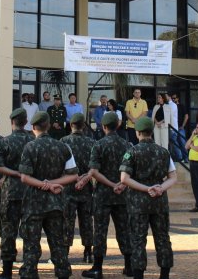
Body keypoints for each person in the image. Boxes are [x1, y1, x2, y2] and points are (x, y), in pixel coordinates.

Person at [18, 111, 78, 279]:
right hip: (56, 202)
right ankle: (63, 273)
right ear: (49, 126)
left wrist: (44, 184)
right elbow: (73, 175)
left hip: (34, 203)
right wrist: (52, 184)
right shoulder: (63, 146)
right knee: (58, 243)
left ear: (33, 127)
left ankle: (30, 274)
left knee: (31, 244)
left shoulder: (30, 147)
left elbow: (24, 177)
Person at [119, 116, 177, 279]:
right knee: (163, 238)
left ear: (137, 133)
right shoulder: (164, 152)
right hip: (159, 202)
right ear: (151, 132)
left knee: (138, 240)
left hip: (138, 203)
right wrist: (159, 188)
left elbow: (124, 178)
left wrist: (146, 189)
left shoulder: (132, 152)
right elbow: (173, 177)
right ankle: (164, 274)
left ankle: (138, 275)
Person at [82, 112, 133, 279]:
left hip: (103, 195)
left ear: (103, 127)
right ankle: (129, 265)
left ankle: (97, 268)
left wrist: (111, 185)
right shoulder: (127, 145)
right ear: (117, 125)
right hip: (122, 195)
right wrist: (122, 184)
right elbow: (132, 170)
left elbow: (94, 172)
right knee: (124, 230)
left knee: (100, 231)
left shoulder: (99, 145)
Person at [0, 108, 34, 279]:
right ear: (25, 122)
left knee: (8, 232)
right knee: (31, 232)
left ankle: (7, 271)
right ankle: (30, 269)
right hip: (30, 192)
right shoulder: (32, 140)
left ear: (12, 122)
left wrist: (15, 174)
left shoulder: (5, 142)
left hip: (10, 192)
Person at [61, 112, 96, 263]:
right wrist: (84, 177)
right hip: (86, 187)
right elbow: (95, 166)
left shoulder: (63, 142)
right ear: (83, 127)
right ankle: (88, 252)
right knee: (86, 220)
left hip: (68, 187)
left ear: (71, 125)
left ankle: (64, 252)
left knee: (67, 221)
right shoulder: (91, 143)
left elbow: (60, 165)